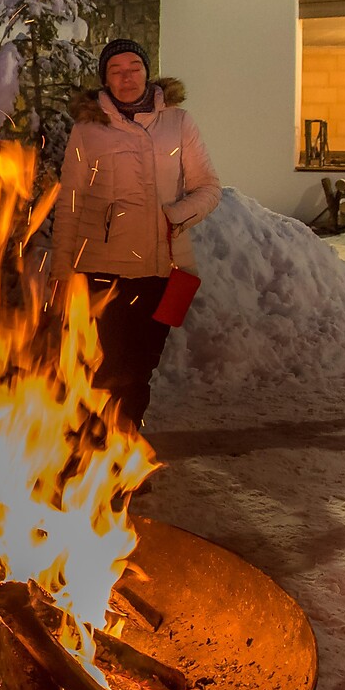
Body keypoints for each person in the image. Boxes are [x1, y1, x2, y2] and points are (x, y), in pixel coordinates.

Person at [50, 38, 221, 430]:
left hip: (164, 268)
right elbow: (70, 201)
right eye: (116, 70)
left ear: (148, 72)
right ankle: (101, 451)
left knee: (141, 368)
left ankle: (122, 449)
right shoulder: (88, 129)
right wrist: (61, 270)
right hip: (102, 268)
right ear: (105, 80)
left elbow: (209, 186)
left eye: (134, 68)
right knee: (106, 367)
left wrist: (176, 216)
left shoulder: (179, 122)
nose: (126, 77)